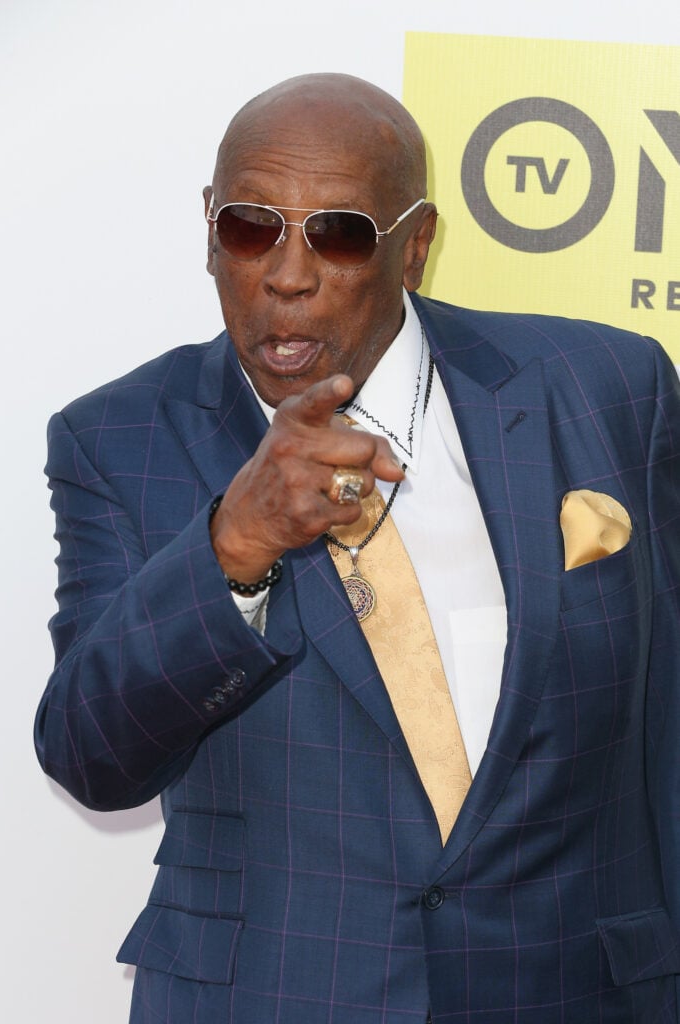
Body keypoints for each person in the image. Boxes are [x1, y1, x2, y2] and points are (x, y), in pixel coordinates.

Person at [35, 73, 680, 1024]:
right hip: (274, 995)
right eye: (251, 228)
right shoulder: (117, 438)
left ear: (414, 245)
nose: (287, 275)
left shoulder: (605, 388)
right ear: (209, 226)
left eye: (338, 235)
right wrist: (233, 544)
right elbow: (93, 756)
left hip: (570, 986)